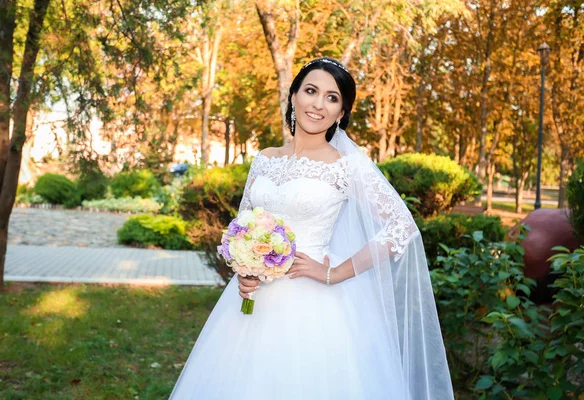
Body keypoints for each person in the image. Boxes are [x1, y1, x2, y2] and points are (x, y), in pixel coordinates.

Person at [169, 57, 454, 399]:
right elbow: (242, 224)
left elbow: (401, 227)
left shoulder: (347, 166)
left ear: (341, 113)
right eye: (311, 91)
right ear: (293, 96)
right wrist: (243, 268)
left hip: (313, 308)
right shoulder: (263, 159)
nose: (318, 104)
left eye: (332, 98)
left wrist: (335, 272)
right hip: (250, 303)